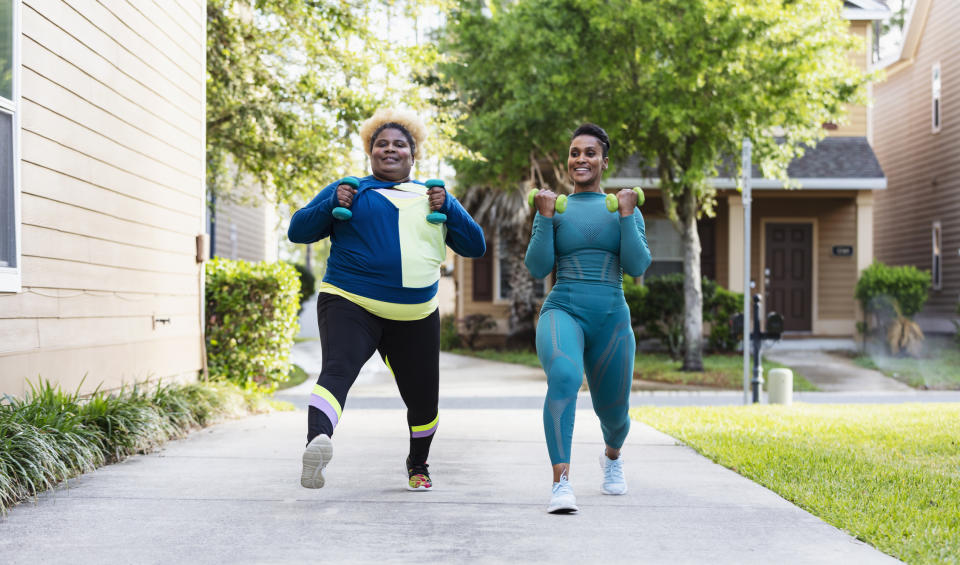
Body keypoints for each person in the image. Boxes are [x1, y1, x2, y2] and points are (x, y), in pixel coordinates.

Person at [288, 108, 486, 491]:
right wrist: (331, 204)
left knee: (424, 400)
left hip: (415, 314)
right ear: (370, 152)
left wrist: (450, 211)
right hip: (350, 300)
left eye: (399, 144)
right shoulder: (349, 190)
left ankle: (419, 464)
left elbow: (475, 245)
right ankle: (316, 443)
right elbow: (299, 230)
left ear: (414, 155)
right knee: (338, 370)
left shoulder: (434, 196)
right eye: (381, 144)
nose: (389, 150)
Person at [524, 123, 651, 513]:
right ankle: (561, 483)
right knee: (563, 376)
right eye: (575, 152)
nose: (581, 159)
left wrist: (628, 215)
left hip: (611, 315)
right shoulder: (554, 209)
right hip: (563, 309)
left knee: (615, 414)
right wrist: (544, 218)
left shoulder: (622, 208)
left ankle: (612, 457)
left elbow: (637, 264)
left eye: (590, 153)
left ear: (603, 161)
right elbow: (538, 266)